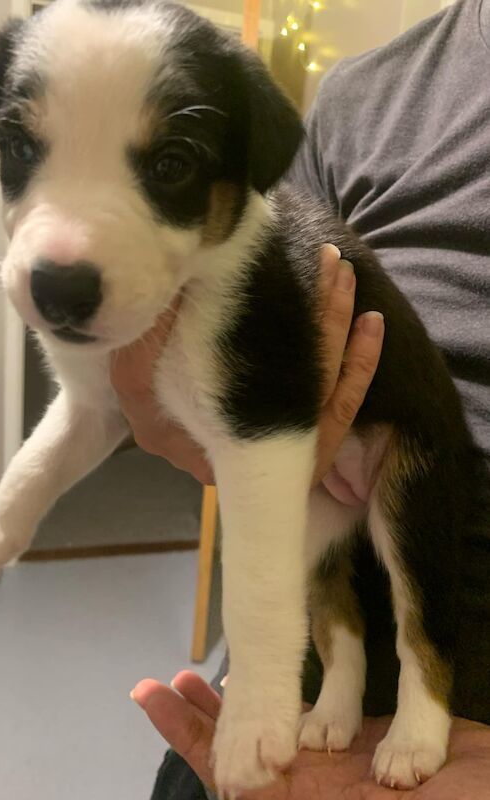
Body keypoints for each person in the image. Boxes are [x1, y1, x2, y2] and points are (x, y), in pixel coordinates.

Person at [112, 0, 490, 796]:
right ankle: (342, 675)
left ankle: (422, 685)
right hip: (322, 477)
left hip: (439, 490)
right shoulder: (359, 93)